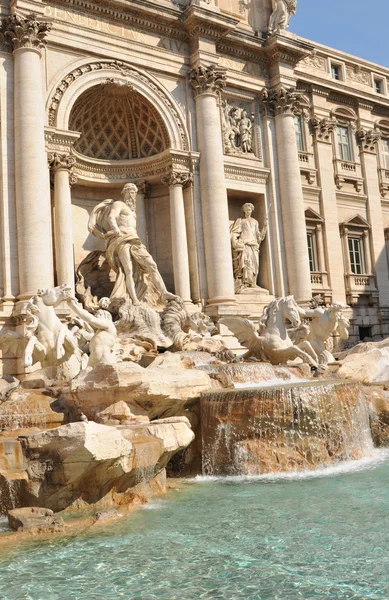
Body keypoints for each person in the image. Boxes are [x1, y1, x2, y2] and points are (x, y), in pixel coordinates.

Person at [88, 183, 176, 307]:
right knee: (127, 270)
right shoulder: (119, 204)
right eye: (129, 191)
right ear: (124, 193)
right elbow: (111, 217)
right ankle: (134, 300)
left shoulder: (133, 212)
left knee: (151, 264)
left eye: (134, 192)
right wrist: (115, 230)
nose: (132, 195)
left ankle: (164, 292)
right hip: (121, 239)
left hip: (134, 240)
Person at [66, 297, 117, 366]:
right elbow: (83, 349)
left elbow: (91, 319)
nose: (97, 316)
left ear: (106, 316)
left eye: (99, 314)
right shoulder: (97, 336)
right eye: (96, 315)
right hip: (92, 361)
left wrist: (74, 307)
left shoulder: (109, 325)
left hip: (104, 357)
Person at [230, 203, 268, 293]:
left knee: (255, 265)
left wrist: (265, 226)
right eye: (247, 209)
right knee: (247, 264)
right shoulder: (240, 221)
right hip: (245, 244)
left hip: (254, 245)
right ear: (244, 210)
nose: (248, 211)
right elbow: (235, 233)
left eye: (250, 209)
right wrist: (236, 242)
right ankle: (245, 283)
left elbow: (259, 237)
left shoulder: (255, 222)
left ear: (252, 210)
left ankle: (253, 283)